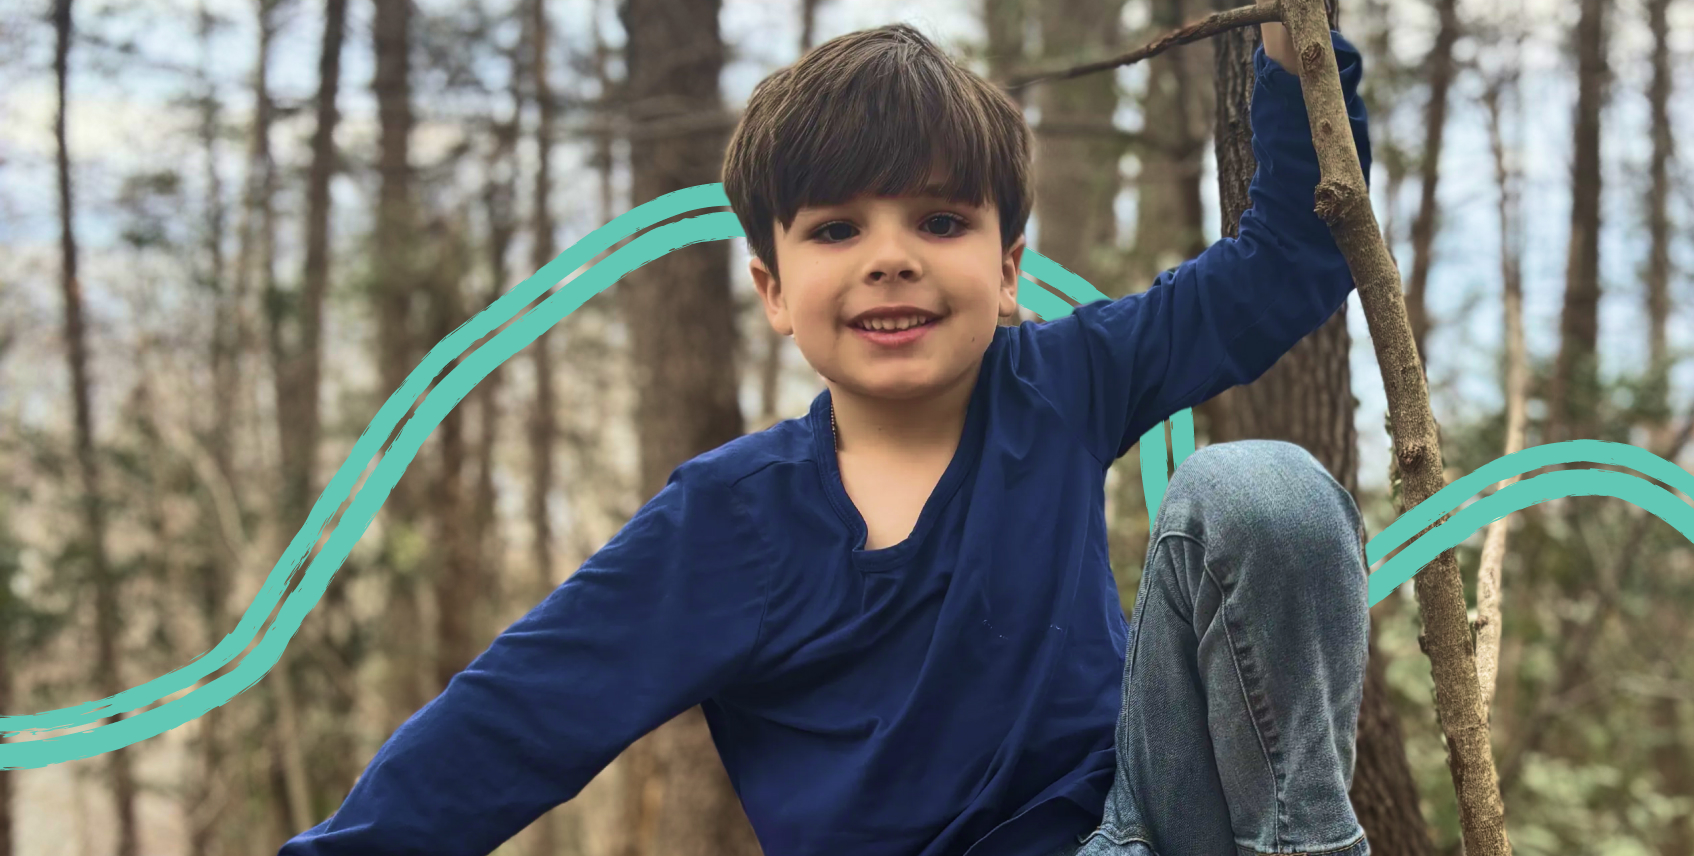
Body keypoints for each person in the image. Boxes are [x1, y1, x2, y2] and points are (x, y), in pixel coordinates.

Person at [281, 17, 1375, 856]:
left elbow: (1285, 262)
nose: (889, 257)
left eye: (940, 222)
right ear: (772, 286)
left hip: (1131, 827)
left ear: (1006, 270)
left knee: (1260, 489)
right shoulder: (727, 521)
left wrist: (1295, 49)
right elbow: (513, 719)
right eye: (837, 228)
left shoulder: (1060, 382)